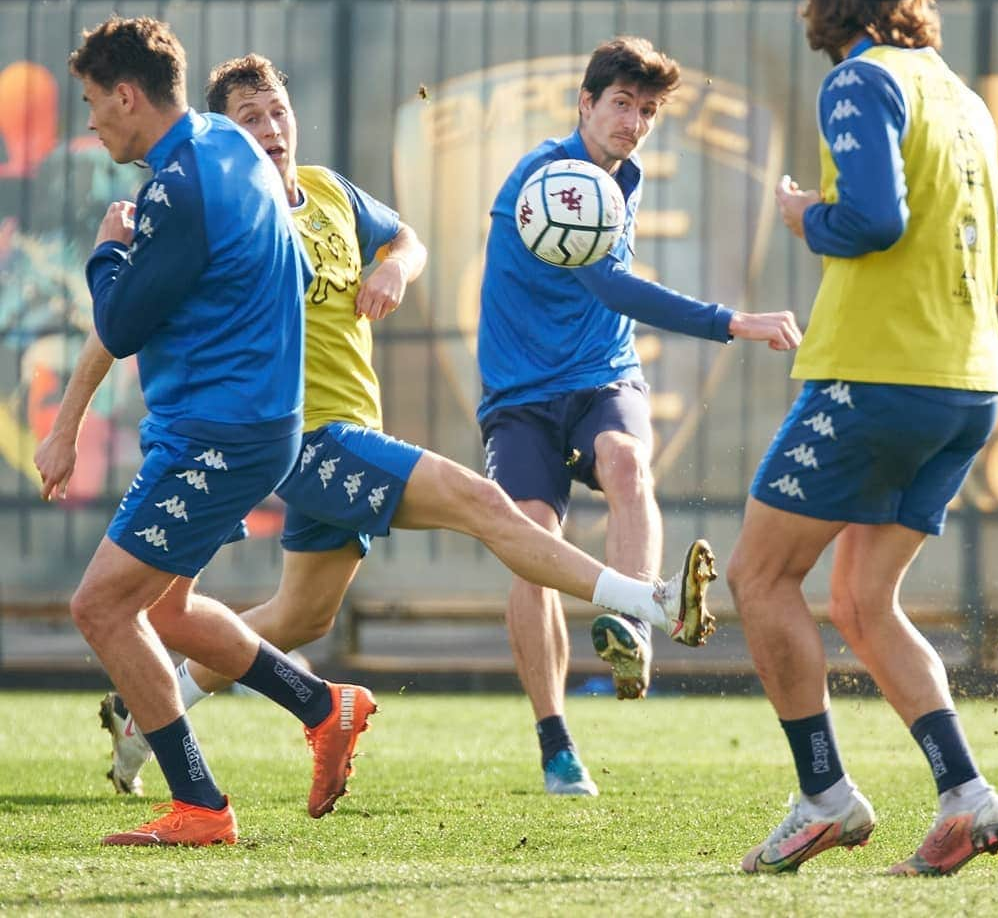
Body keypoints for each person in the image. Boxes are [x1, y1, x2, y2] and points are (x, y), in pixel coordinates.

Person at [37, 52, 721, 802]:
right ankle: (644, 602)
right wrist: (67, 425)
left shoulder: (327, 192)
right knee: (483, 505)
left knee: (298, 615)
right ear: (226, 137)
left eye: (277, 113)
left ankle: (148, 716)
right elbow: (117, 322)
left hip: (343, 429)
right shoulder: (218, 206)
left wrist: (397, 265)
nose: (269, 130)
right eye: (249, 120)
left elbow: (406, 237)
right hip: (299, 438)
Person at [726, 0, 998, 876]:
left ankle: (824, 795)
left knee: (761, 580)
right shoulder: (963, 100)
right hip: (969, 382)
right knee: (860, 598)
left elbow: (876, 221)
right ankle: (966, 794)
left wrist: (809, 217)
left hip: (879, 376)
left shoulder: (859, 79)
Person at [58, 16, 378, 848]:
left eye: (94, 103)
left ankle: (199, 805)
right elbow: (296, 268)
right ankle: (322, 705)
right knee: (165, 612)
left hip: (217, 436)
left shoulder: (182, 185)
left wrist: (107, 249)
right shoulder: (229, 147)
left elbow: (121, 322)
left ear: (128, 95)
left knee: (98, 608)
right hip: (245, 423)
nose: (91, 122)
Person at [477, 36, 802, 796]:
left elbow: (610, 304)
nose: (634, 121)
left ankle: (631, 620)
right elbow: (615, 288)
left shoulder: (628, 174)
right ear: (585, 104)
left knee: (627, 462)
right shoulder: (548, 179)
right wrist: (733, 321)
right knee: (531, 545)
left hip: (600, 376)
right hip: (520, 395)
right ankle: (555, 739)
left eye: (648, 110)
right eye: (621, 103)